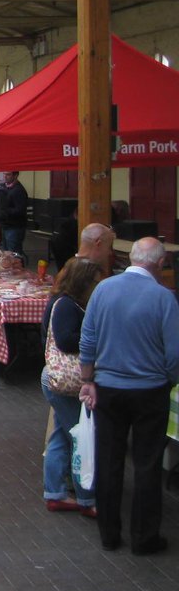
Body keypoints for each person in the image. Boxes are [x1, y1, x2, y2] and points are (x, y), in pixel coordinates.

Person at [79, 237, 179, 555]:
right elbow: (174, 353)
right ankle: (144, 536)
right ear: (160, 264)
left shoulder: (104, 290)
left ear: (131, 258)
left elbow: (88, 338)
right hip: (150, 390)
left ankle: (109, 532)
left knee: (109, 460)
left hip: (108, 388)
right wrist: (169, 379)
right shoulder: (164, 298)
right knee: (147, 464)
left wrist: (87, 379)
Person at [40, 257, 104, 518]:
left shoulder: (65, 302)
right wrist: (94, 336)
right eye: (95, 281)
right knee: (80, 437)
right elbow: (66, 341)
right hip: (66, 381)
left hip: (56, 379)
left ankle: (55, 492)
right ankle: (86, 497)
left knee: (62, 434)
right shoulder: (67, 305)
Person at [0, 171, 29, 255]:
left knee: (14, 254)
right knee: (4, 254)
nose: (5, 177)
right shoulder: (3, 188)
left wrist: (5, 211)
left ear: (16, 175)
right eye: (4, 174)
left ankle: (18, 267)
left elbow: (20, 210)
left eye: (8, 174)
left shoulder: (19, 190)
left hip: (14, 227)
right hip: (4, 225)